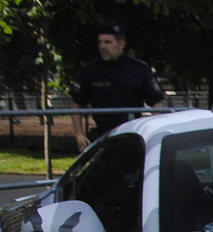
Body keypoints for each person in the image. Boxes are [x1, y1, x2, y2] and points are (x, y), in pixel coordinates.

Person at [71, 21, 165, 151]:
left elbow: (156, 104)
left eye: (107, 42)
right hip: (103, 136)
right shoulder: (89, 71)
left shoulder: (138, 69)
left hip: (132, 135)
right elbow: (76, 106)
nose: (103, 46)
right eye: (100, 42)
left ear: (121, 44)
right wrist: (79, 135)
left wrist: (155, 132)